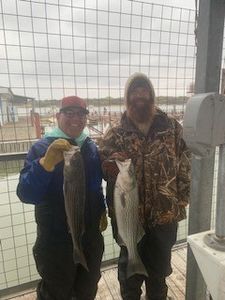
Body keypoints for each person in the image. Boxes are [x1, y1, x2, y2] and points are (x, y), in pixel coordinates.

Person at [99, 73, 191, 300]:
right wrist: (108, 165)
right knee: (129, 282)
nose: (139, 95)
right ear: (127, 97)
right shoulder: (116, 132)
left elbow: (186, 164)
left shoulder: (171, 127)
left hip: (164, 217)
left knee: (158, 278)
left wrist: (181, 201)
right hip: (129, 219)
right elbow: (101, 164)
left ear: (151, 95)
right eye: (134, 91)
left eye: (144, 90)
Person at [17, 96, 107, 300]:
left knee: (87, 288)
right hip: (54, 240)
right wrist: (45, 164)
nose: (76, 118)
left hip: (91, 236)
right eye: (69, 113)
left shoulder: (90, 147)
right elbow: (26, 193)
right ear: (57, 116)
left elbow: (94, 188)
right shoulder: (41, 148)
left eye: (81, 114)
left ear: (86, 118)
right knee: (56, 292)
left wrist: (102, 211)